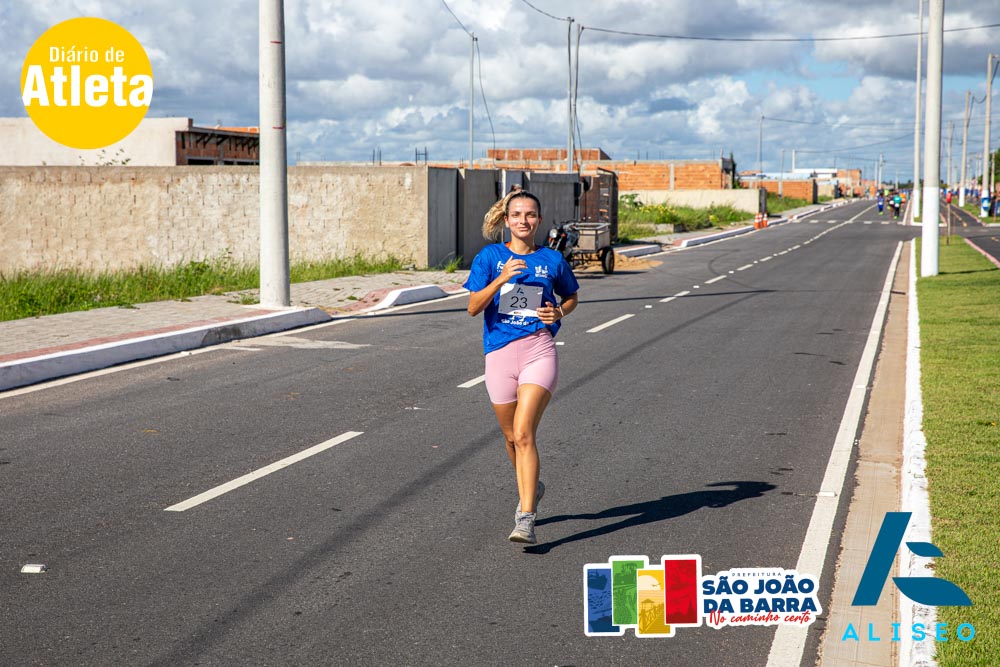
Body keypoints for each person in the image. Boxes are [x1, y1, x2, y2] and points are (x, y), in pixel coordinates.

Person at [465, 189, 580, 544]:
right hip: (499, 355)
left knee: (525, 432)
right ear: (506, 220)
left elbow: (572, 297)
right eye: (516, 215)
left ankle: (525, 518)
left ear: (539, 220)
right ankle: (533, 485)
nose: (523, 221)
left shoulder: (552, 260)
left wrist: (558, 312)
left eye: (530, 215)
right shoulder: (490, 257)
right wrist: (501, 279)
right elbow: (473, 307)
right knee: (511, 437)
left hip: (538, 351)